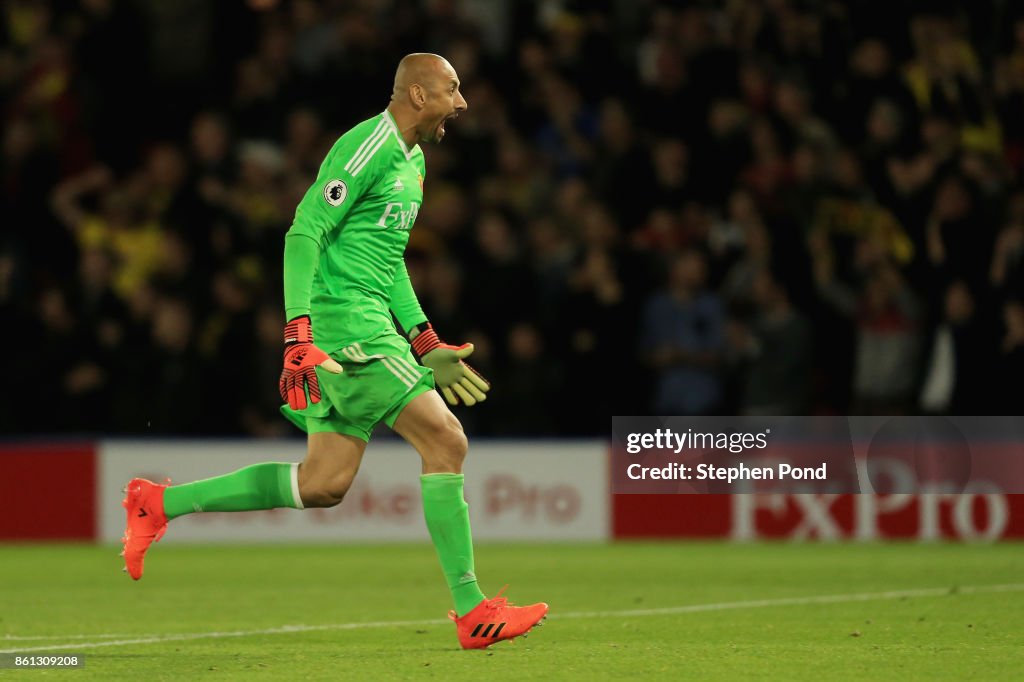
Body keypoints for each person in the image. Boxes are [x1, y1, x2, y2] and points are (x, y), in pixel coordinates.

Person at [120, 54, 547, 650]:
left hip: (370, 325)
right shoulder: (367, 146)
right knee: (447, 440)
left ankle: (160, 502)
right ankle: (472, 609)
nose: (463, 101)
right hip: (348, 328)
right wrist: (299, 335)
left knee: (323, 483)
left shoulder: (416, 160)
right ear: (418, 95)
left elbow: (387, 257)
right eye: (453, 89)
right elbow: (303, 231)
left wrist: (424, 339)